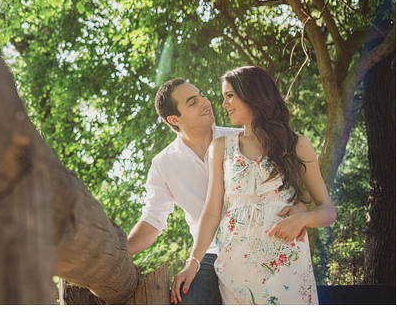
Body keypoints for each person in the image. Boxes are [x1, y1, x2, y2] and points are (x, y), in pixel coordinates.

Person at [126, 78, 305, 305]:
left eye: (201, 95)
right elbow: (153, 219)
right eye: (193, 102)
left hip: (260, 243)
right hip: (210, 253)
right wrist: (118, 254)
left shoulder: (242, 140)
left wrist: (301, 208)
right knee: (188, 299)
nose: (206, 102)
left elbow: (285, 188)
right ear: (174, 119)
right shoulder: (163, 164)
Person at [171, 66, 336, 305]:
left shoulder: (296, 144)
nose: (224, 104)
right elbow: (211, 213)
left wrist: (302, 219)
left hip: (286, 267)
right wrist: (192, 263)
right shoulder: (221, 147)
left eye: (230, 95)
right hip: (235, 269)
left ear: (252, 94)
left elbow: (328, 210)